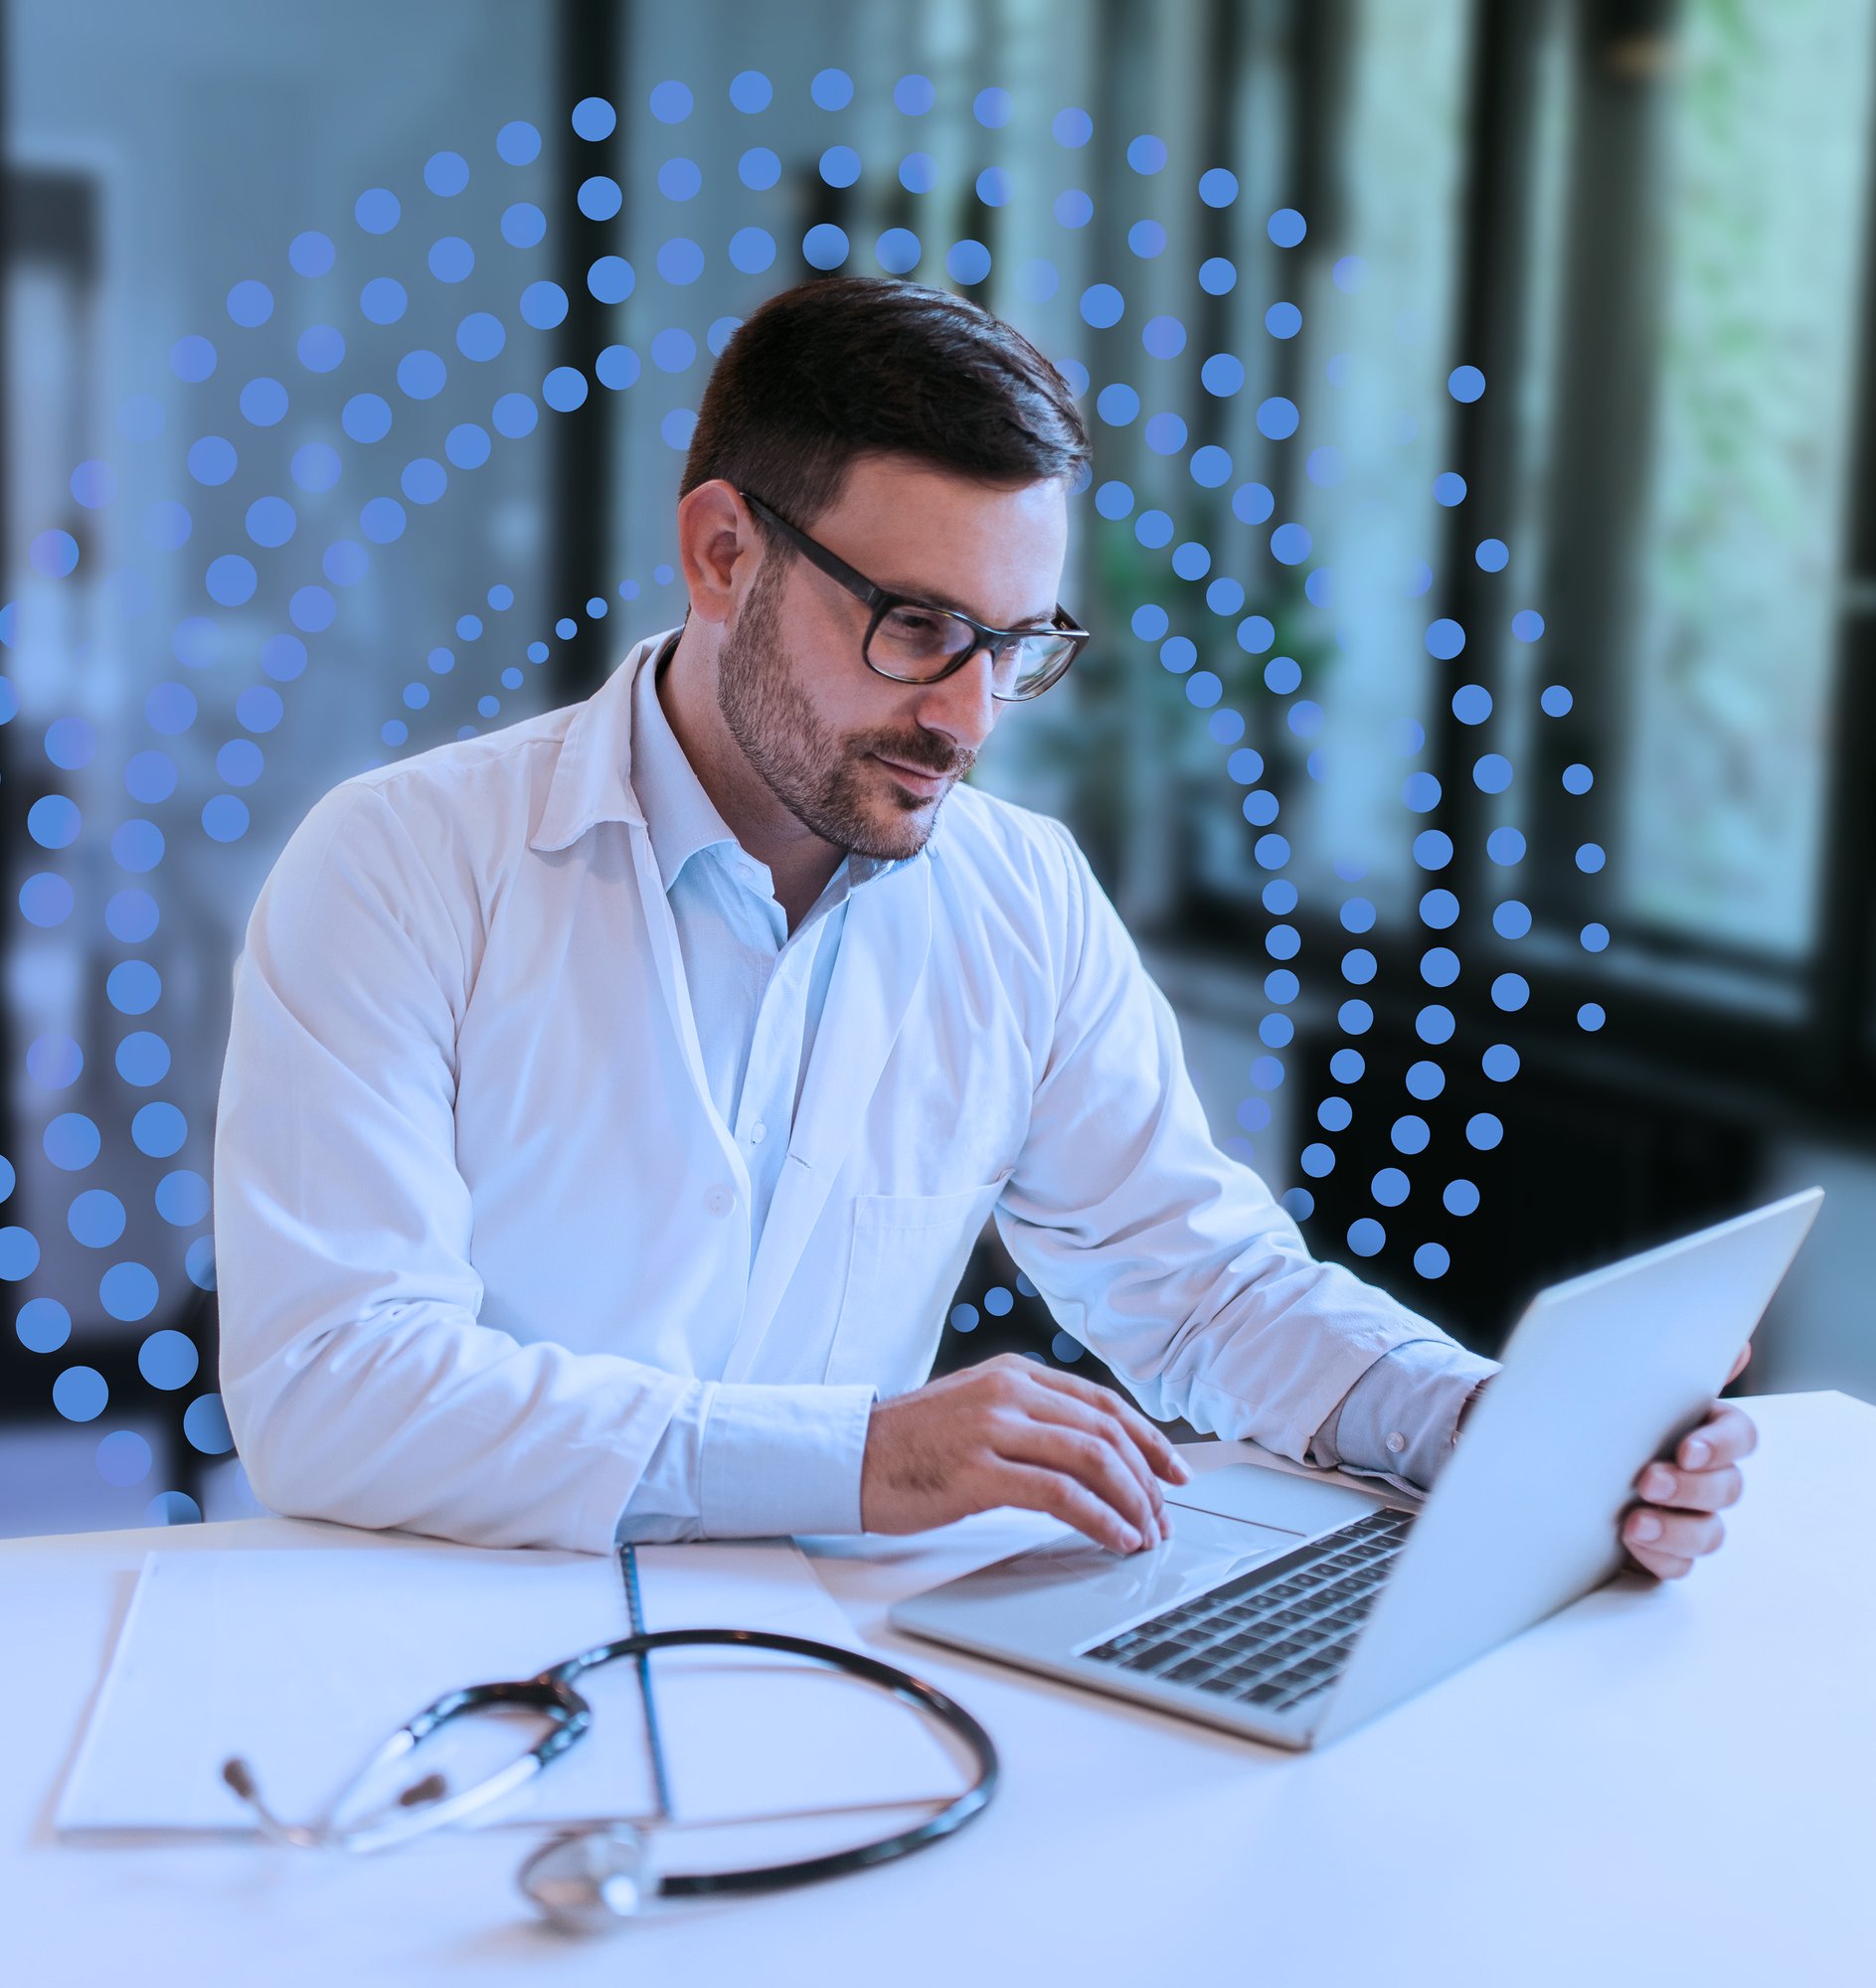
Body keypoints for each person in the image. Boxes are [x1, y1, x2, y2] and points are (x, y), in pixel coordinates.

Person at [214, 275, 1751, 1577]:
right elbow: (334, 1389)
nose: (966, 715)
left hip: (821, 1667)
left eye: (1017, 645)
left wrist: (1488, 1427)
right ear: (722, 554)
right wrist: (858, 1458)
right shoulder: (403, 867)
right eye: (920, 627)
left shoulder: (1018, 898)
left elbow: (1208, 1287)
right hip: (441, 1641)